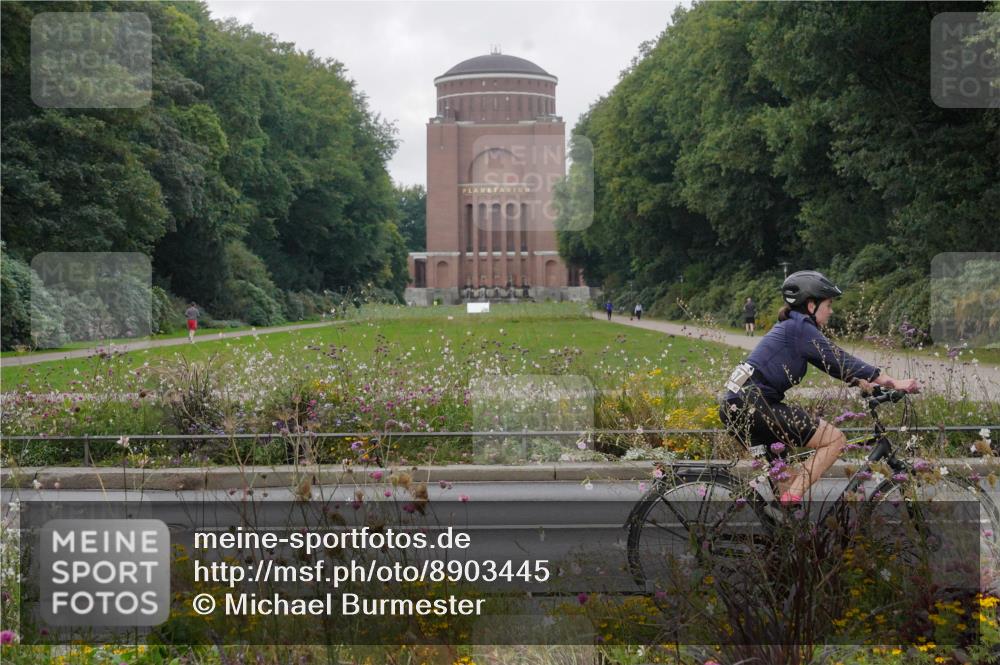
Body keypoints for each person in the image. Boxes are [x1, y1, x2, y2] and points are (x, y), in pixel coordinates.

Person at [718, 271, 920, 506]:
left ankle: (788, 529)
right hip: (754, 405)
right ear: (811, 305)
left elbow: (830, 364)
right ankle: (791, 498)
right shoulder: (800, 327)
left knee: (786, 482)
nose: (831, 311)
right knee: (834, 440)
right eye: (829, 304)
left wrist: (864, 382)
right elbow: (838, 358)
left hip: (740, 405)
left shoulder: (793, 327)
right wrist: (891, 381)